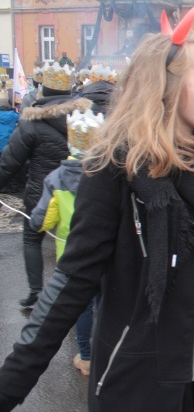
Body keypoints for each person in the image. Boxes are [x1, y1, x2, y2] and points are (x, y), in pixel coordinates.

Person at [0, 10, 194, 412]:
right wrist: (9, 388)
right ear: (164, 90)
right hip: (139, 381)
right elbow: (71, 283)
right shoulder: (114, 168)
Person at [0, 62, 85, 307]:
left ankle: (36, 291)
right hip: (77, 190)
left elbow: (10, 161)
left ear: (43, 91)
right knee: (75, 239)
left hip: (41, 193)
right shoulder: (84, 117)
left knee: (32, 238)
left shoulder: (31, 122)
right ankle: (76, 291)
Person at [28, 109, 105, 377]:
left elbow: (41, 221)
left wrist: (38, 222)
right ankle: (107, 356)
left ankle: (86, 357)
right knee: (105, 305)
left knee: (82, 308)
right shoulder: (112, 174)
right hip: (107, 256)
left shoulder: (56, 178)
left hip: (73, 257)